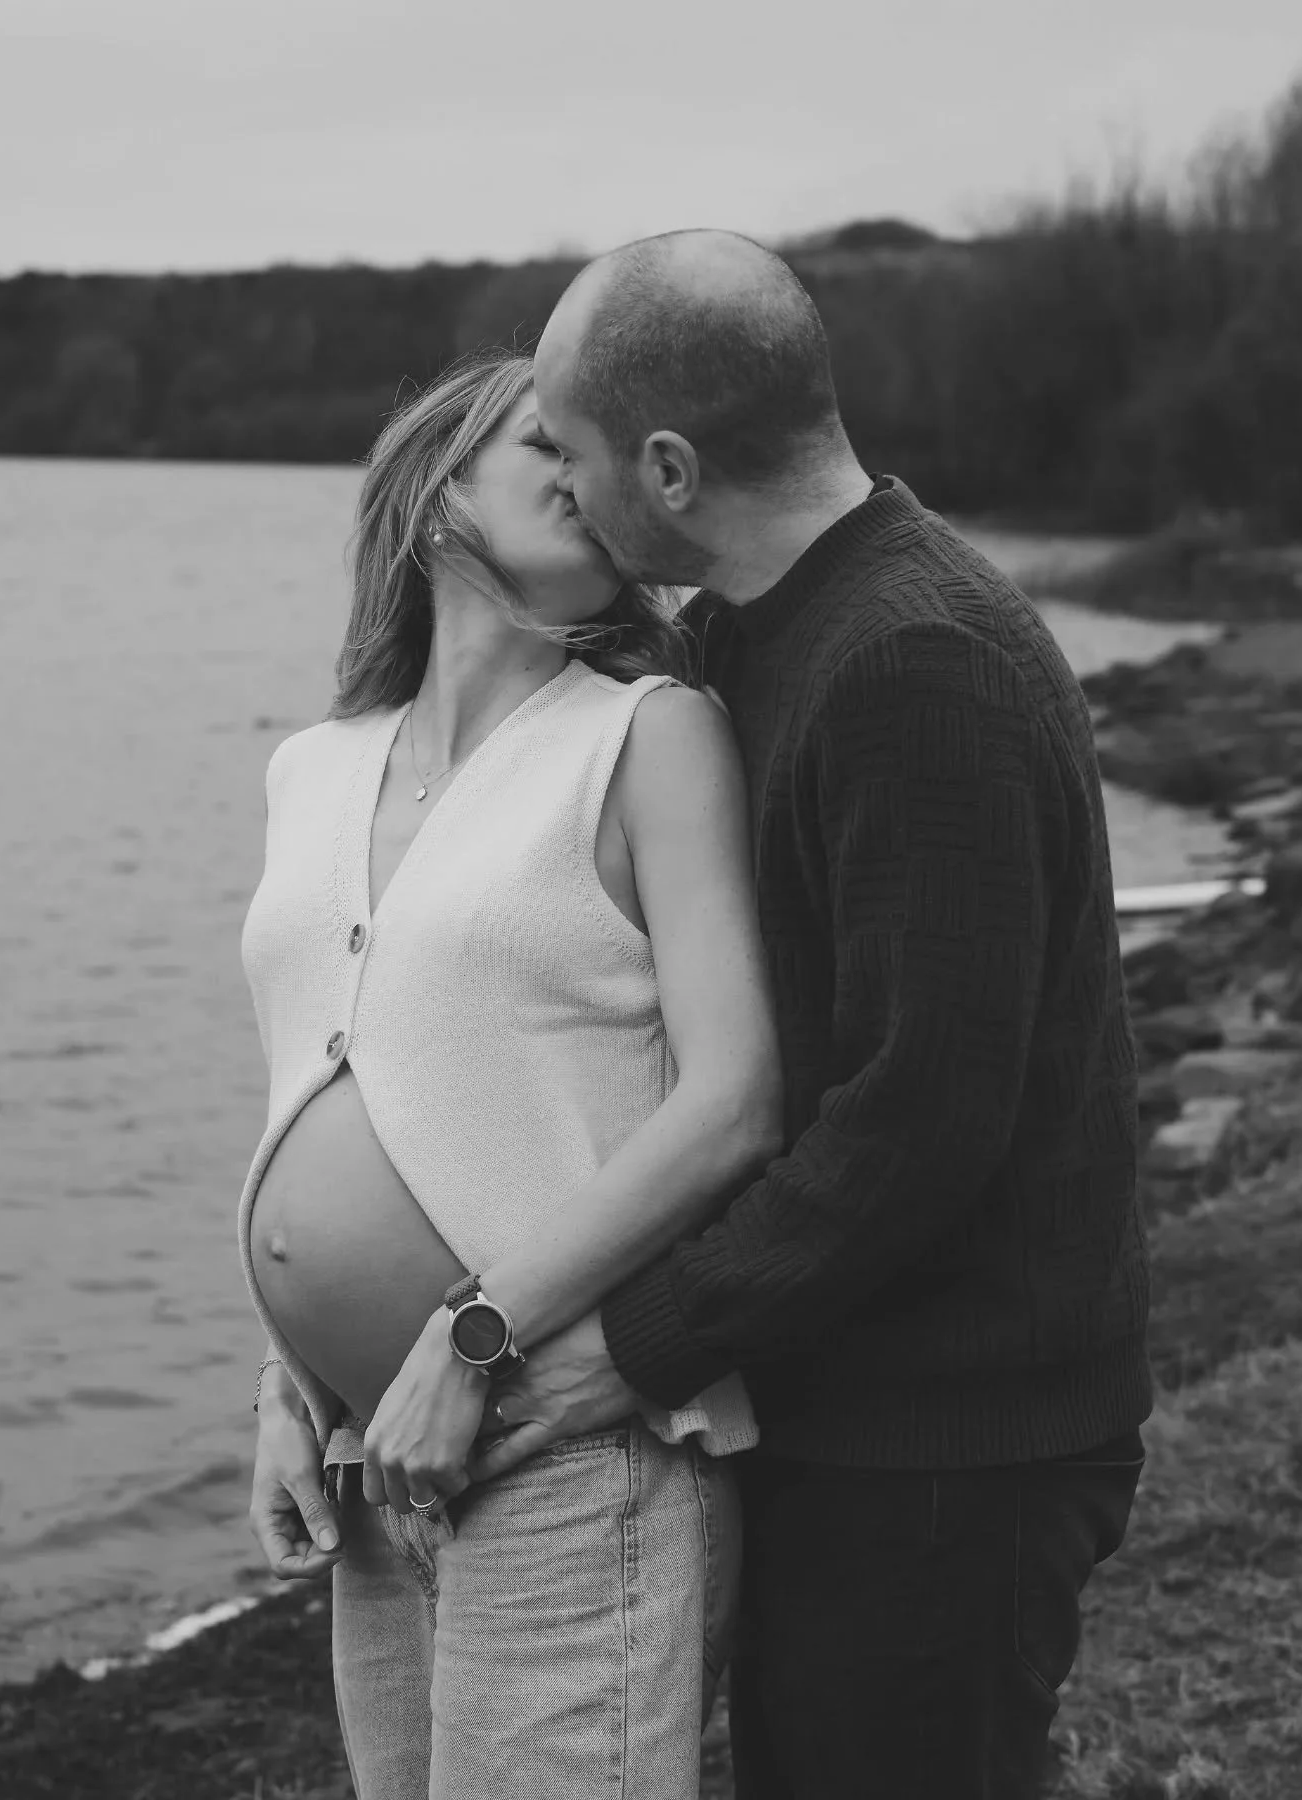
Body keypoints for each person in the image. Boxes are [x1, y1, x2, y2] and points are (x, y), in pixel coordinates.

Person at [470, 230, 1153, 1800]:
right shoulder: (749, 634)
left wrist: (632, 1347)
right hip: (858, 1396)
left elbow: (924, 1119)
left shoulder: (917, 661)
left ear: (669, 465)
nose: (563, 491)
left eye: (568, 454)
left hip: (959, 1435)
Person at [237, 346, 783, 1800]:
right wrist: (286, 1390)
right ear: (434, 484)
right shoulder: (314, 767)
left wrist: (476, 1341)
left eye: (599, 451)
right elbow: (327, 1085)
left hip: (561, 1442)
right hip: (372, 1463)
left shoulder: (651, 737)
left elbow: (734, 1100)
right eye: (546, 440)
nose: (583, 469)